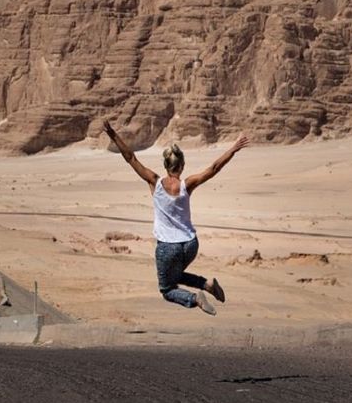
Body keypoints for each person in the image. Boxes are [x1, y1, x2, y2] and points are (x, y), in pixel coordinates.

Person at [103, 121, 249, 315]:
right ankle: (207, 285)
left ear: (165, 165)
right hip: (190, 244)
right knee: (176, 274)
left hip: (167, 247)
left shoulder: (154, 181)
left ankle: (194, 298)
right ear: (182, 165)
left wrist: (113, 134)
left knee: (167, 288)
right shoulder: (187, 185)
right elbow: (214, 168)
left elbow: (130, 157)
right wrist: (233, 149)